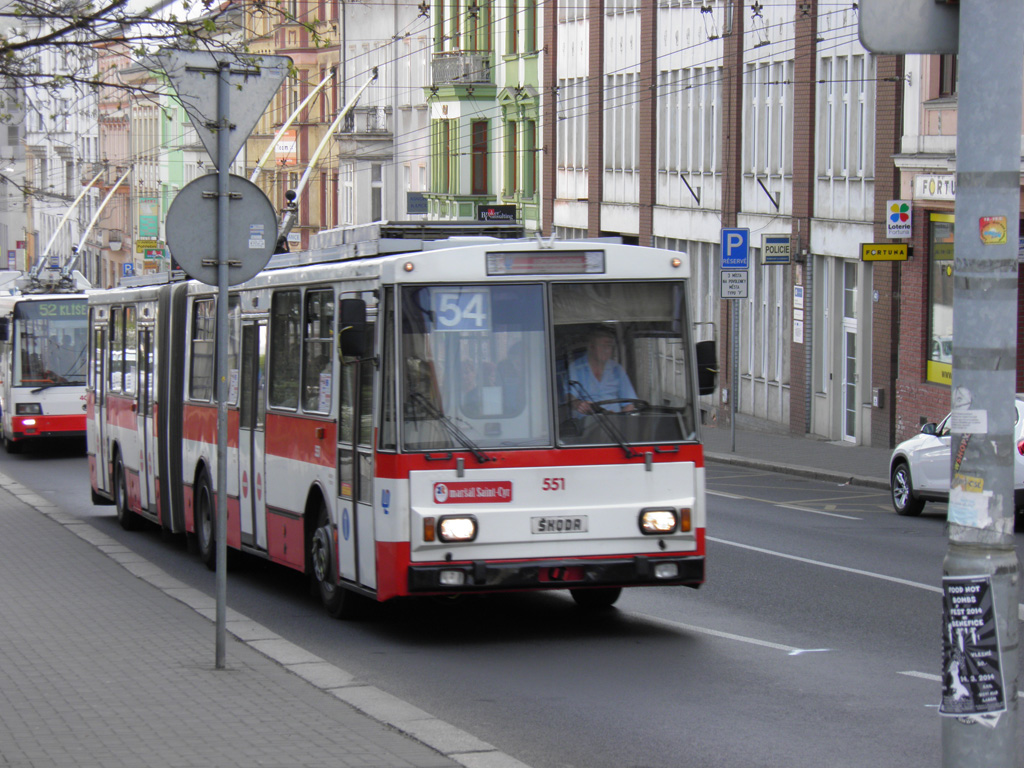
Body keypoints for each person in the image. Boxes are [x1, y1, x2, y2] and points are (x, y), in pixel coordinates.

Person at [566, 328, 637, 414]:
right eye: (604, 346)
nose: (607, 350)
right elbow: (569, 397)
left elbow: (630, 403)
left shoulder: (617, 369)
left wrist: (621, 419)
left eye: (610, 346)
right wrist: (579, 404)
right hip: (585, 423)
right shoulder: (576, 368)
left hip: (614, 424)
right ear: (591, 347)